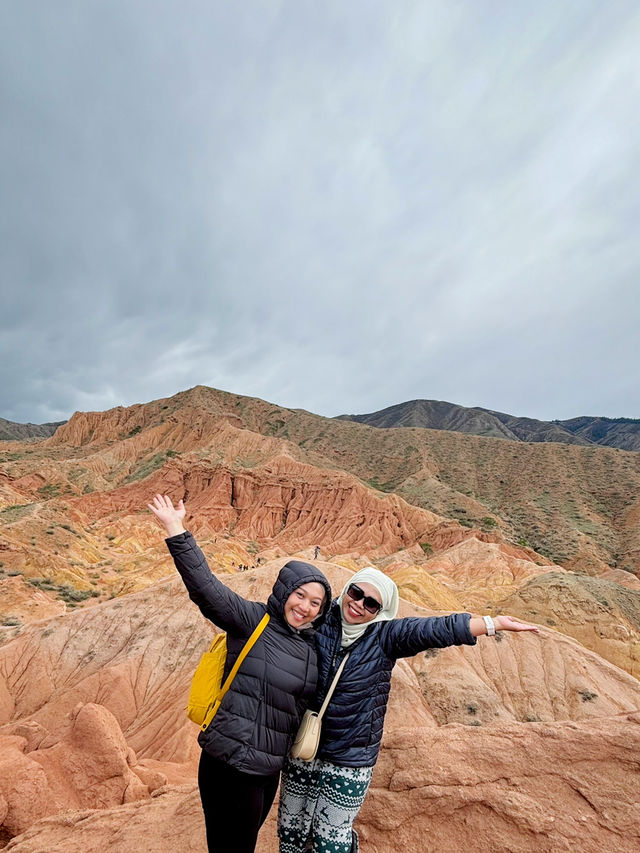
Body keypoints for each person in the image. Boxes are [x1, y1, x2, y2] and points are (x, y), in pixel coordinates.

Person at [278, 567, 540, 853]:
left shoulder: (387, 637)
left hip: (351, 758)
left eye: (371, 603)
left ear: (381, 610)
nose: (359, 604)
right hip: (305, 746)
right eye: (356, 593)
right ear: (346, 591)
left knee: (331, 840)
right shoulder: (320, 622)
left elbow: (436, 630)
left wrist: (492, 623)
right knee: (291, 829)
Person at [148, 494, 332, 853]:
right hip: (230, 764)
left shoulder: (311, 647)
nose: (305, 607)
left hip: (266, 772)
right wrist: (176, 529)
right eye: (300, 595)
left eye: (316, 603)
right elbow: (206, 589)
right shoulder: (252, 621)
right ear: (284, 592)